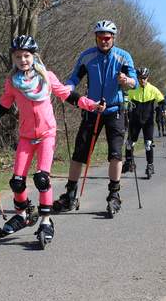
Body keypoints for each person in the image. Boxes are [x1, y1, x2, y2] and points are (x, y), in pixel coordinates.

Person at [0, 35, 103, 246]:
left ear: (33, 56)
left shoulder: (46, 77)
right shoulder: (12, 82)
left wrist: (93, 105)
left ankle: (46, 221)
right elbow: (2, 108)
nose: (23, 60)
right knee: (16, 181)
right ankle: (24, 215)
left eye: (26, 56)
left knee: (42, 179)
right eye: (18, 56)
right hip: (26, 137)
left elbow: (68, 95)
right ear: (13, 58)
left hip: (47, 135)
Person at [53, 20, 137, 217]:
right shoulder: (87, 56)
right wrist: (68, 89)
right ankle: (70, 194)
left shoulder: (123, 57)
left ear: (113, 38)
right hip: (92, 110)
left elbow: (134, 83)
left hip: (115, 110)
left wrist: (127, 81)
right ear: (96, 38)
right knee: (79, 153)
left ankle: (114, 195)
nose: (104, 41)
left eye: (108, 38)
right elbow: (74, 78)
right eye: (100, 37)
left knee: (115, 154)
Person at [122, 67, 164, 178]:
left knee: (148, 144)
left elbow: (161, 101)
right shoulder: (132, 89)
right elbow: (125, 100)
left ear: (147, 78)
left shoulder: (153, 89)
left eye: (144, 78)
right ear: (137, 78)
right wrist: (125, 108)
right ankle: (129, 162)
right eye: (140, 78)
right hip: (135, 121)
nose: (142, 80)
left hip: (148, 122)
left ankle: (150, 165)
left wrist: (164, 110)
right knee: (129, 143)